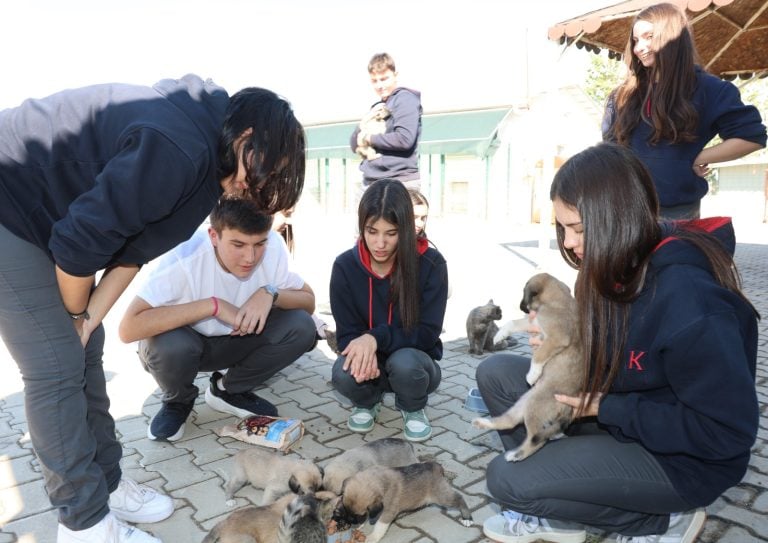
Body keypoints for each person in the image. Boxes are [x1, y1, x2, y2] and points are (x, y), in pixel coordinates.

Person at [0, 76, 305, 543]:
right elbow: (78, 247)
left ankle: (106, 484)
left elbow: (130, 252)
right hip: (8, 201)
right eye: (267, 168)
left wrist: (86, 318)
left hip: (40, 221)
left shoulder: (208, 176)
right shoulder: (180, 149)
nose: (263, 185)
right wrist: (73, 319)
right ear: (246, 139)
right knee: (56, 363)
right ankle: (85, 526)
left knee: (85, 344)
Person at [477, 142, 759, 543]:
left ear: (618, 217)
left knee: (507, 481)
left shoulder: (692, 302)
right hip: (620, 418)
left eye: (578, 228)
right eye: (563, 228)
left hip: (682, 460)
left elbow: (726, 434)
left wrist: (607, 407)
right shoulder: (604, 269)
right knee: (496, 374)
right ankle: (562, 498)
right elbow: (616, 359)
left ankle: (661, 520)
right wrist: (566, 345)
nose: (570, 243)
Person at [119, 197, 317, 442]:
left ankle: (228, 390)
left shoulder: (273, 246)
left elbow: (308, 302)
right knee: (169, 345)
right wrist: (212, 306)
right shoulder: (185, 256)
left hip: (238, 340)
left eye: (259, 244)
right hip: (187, 347)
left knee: (301, 326)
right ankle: (177, 402)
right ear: (214, 236)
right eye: (238, 244)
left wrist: (271, 293)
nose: (250, 257)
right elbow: (128, 329)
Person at [602, 2, 766, 220]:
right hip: (623, 213)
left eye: (648, 37)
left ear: (673, 37)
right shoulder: (621, 95)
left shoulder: (710, 89)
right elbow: (610, 150)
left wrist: (696, 157)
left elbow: (752, 136)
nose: (638, 47)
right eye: (635, 40)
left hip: (679, 217)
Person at [330, 179, 448, 442]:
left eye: (391, 233)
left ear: (405, 230)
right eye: (372, 231)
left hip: (416, 366)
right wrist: (362, 351)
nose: (379, 243)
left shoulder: (432, 263)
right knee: (342, 373)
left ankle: (413, 407)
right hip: (371, 369)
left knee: (404, 362)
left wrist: (375, 338)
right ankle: (368, 401)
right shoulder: (344, 266)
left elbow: (427, 333)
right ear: (362, 227)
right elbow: (347, 333)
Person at [350, 52, 423, 192]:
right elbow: (354, 144)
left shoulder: (405, 99)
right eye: (374, 80)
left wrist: (368, 138)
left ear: (395, 75)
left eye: (384, 79)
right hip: (371, 181)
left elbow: (404, 139)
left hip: (399, 181)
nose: (379, 85)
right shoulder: (376, 107)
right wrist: (363, 126)